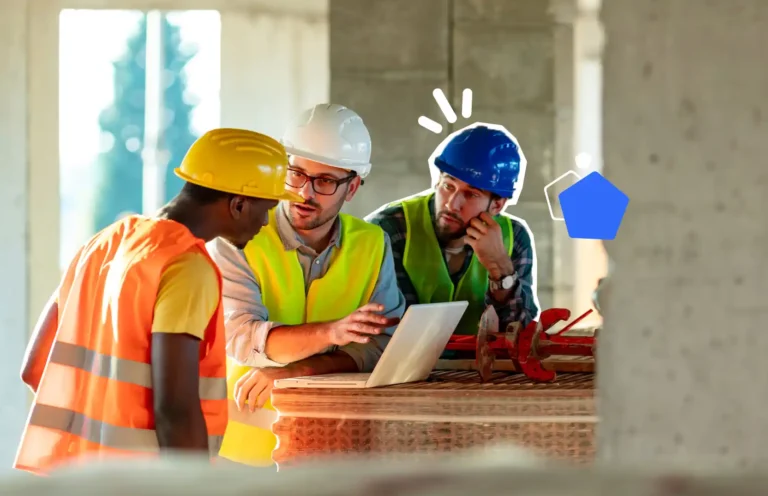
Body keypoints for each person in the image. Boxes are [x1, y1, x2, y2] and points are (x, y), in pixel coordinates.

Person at [14, 128, 302, 475]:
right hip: (139, 483)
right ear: (239, 204)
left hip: (72, 478)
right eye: (267, 207)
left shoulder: (102, 244)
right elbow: (176, 411)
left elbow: (34, 369)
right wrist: (196, 485)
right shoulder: (186, 266)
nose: (266, 221)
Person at [208, 103, 405, 467]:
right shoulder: (237, 237)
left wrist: (298, 371)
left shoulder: (372, 243)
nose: (304, 192)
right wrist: (332, 334)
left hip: (333, 449)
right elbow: (241, 339)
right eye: (295, 173)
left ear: (354, 186)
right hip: (240, 451)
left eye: (325, 181)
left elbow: (382, 348)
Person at [365, 122, 540, 345]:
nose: (451, 204)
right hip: (405, 373)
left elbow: (520, 338)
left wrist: (501, 270)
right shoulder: (390, 230)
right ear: (437, 180)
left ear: (497, 205)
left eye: (471, 194)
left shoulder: (514, 238)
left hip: (482, 375)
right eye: (448, 186)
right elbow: (391, 330)